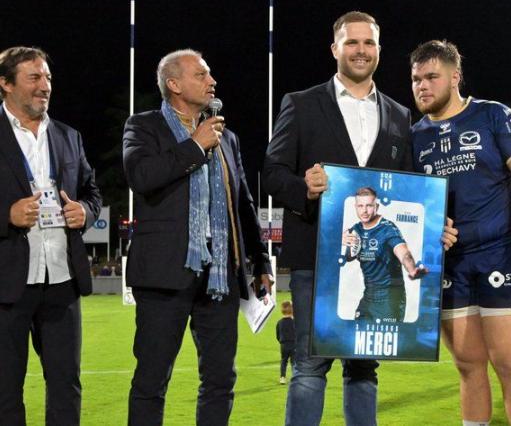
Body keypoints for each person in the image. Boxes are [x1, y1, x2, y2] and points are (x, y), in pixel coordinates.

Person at [263, 11, 457, 426]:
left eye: (368, 43)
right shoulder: (300, 103)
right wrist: (304, 185)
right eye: (351, 42)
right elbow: (271, 172)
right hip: (317, 258)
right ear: (335, 49)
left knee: (365, 367)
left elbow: (411, 188)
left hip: (378, 269)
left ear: (379, 51)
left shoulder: (400, 115)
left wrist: (433, 224)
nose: (360, 50)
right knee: (310, 366)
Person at [122, 49, 272, 426]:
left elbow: (244, 205)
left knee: (221, 381)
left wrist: (261, 261)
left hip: (220, 277)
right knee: (152, 381)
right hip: (164, 275)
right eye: (201, 75)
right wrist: (194, 145)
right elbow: (142, 177)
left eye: (210, 75)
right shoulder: (143, 127)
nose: (212, 81)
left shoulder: (227, 138)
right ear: (174, 84)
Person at [410, 40, 511, 426]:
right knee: (469, 367)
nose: (422, 86)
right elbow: (412, 206)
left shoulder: (492, 116)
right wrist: (431, 228)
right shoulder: (414, 137)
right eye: (416, 79)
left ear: (455, 77)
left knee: (509, 364)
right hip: (451, 265)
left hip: (501, 254)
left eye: (431, 77)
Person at [0, 46, 101, 425]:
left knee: (65, 386)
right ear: (5, 84)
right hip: (7, 283)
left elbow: (92, 193)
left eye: (48, 79)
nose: (45, 86)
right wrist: (5, 215)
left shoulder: (68, 136)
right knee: (5, 390)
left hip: (61, 280)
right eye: (34, 78)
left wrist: (85, 212)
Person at [343, 186, 427, 322]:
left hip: (390, 297)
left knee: (387, 342)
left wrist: (412, 269)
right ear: (355, 207)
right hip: (368, 296)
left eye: (369, 206)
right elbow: (348, 257)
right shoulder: (355, 230)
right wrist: (341, 243)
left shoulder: (388, 229)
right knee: (356, 337)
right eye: (360, 206)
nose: (364, 210)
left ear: (376, 206)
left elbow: (403, 253)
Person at [276, 300, 295, 385]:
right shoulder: (295, 322)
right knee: (294, 361)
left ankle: (282, 377)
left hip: (283, 345)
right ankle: (295, 377)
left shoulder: (279, 322)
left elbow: (277, 334)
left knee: (284, 361)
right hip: (294, 344)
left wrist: (281, 341)